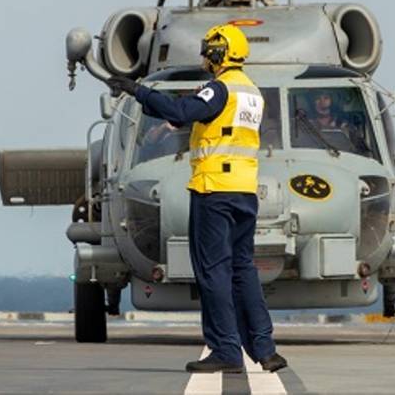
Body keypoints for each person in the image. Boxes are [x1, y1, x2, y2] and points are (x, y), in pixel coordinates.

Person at [107, 23, 287, 374]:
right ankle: (265, 349)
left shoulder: (220, 89)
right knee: (242, 269)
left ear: (220, 52)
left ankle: (225, 350)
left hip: (214, 189)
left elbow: (182, 112)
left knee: (213, 270)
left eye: (208, 50)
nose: (204, 56)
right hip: (244, 190)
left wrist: (138, 91)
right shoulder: (251, 92)